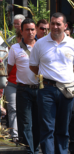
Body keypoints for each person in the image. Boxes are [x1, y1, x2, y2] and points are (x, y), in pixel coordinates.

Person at [30, 12, 74, 154]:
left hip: (67, 91)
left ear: (65, 26)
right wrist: (48, 77)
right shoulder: (40, 44)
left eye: (58, 24)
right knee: (47, 129)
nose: (55, 27)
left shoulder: (72, 44)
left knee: (63, 129)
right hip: (46, 90)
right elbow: (33, 66)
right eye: (52, 23)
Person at [8, 18, 39, 153]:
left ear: (36, 30)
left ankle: (36, 149)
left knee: (38, 124)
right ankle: (29, 151)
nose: (30, 32)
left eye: (32, 29)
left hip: (41, 90)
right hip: (23, 90)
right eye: (27, 29)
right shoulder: (14, 48)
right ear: (21, 31)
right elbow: (7, 70)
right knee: (25, 124)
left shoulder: (41, 45)